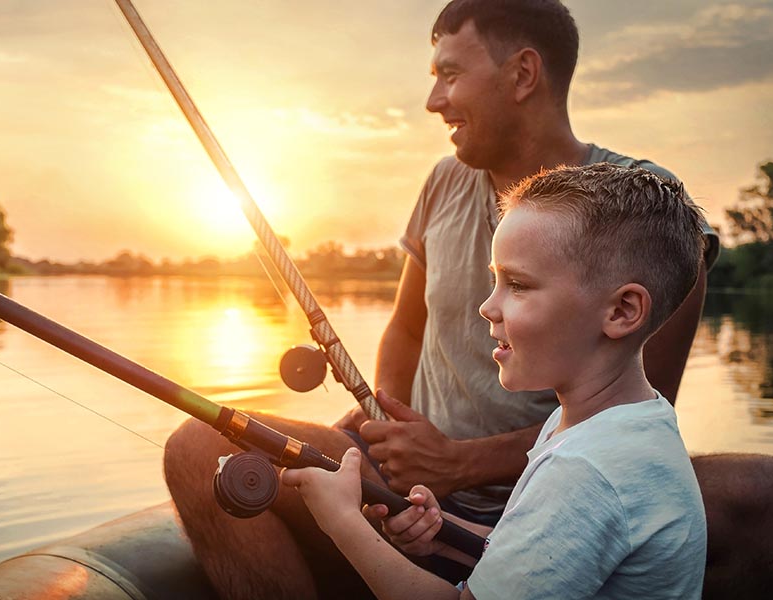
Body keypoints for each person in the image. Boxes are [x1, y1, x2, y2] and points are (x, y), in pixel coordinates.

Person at [163, 1, 720, 598]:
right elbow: (405, 330)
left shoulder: (641, 212)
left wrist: (457, 463)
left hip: (514, 490)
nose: (434, 101)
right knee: (199, 444)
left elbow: (639, 392)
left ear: (523, 74)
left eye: (450, 74)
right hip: (423, 489)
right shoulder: (441, 181)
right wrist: (388, 431)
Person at [283, 162, 709, 599]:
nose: (488, 307)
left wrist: (342, 521)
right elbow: (537, 550)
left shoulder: (586, 471)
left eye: (518, 285)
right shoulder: (620, 422)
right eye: (495, 280)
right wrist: (445, 529)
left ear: (621, 312)